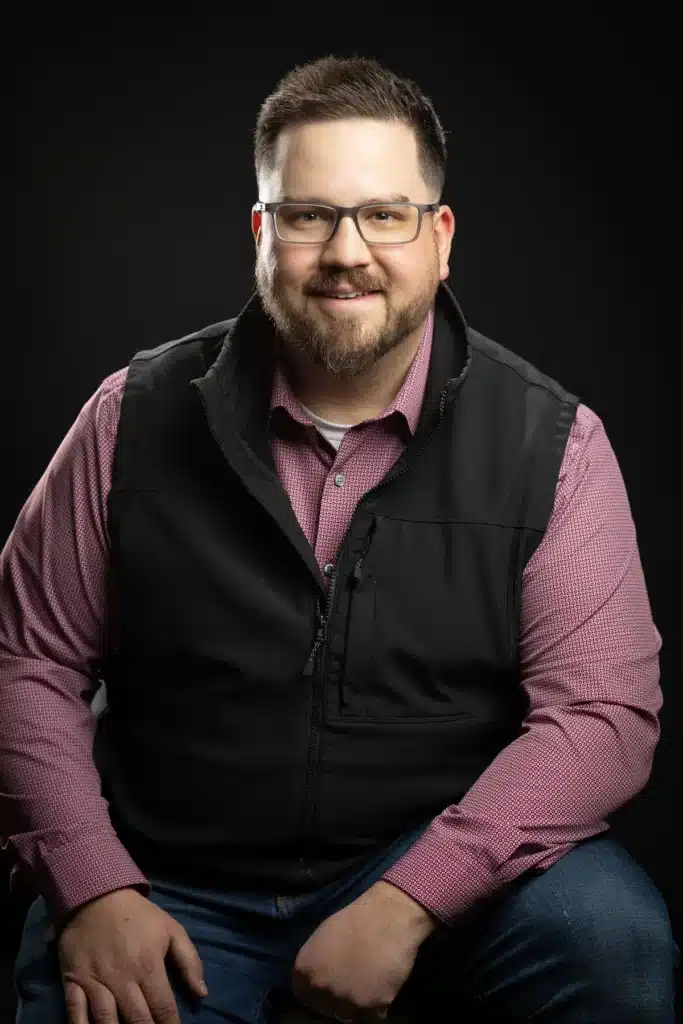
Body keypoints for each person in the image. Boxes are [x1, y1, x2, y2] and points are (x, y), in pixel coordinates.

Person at [0, 54, 677, 1024]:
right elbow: (23, 661)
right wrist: (92, 882)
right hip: (172, 882)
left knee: (609, 940)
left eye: (383, 214)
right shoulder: (129, 418)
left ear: (439, 238)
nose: (345, 250)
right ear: (260, 234)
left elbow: (602, 715)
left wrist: (408, 902)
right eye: (307, 214)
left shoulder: (551, 442)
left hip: (445, 876)